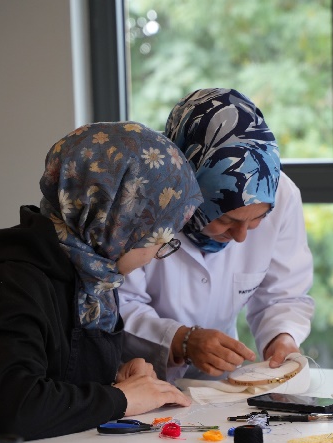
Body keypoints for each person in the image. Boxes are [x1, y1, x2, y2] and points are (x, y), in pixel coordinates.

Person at [0, 122, 203, 443]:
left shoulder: (94, 277)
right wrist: (122, 399)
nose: (159, 253)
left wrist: (116, 377)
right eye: (159, 238)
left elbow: (58, 375)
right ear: (118, 220)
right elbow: (13, 409)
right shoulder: (11, 285)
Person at [118, 88, 315, 381]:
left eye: (257, 219)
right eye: (226, 220)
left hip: (218, 381)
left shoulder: (280, 194)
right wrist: (180, 339)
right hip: (135, 376)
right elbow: (117, 302)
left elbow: (283, 294)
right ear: (189, 190)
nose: (241, 237)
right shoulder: (142, 202)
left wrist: (281, 338)